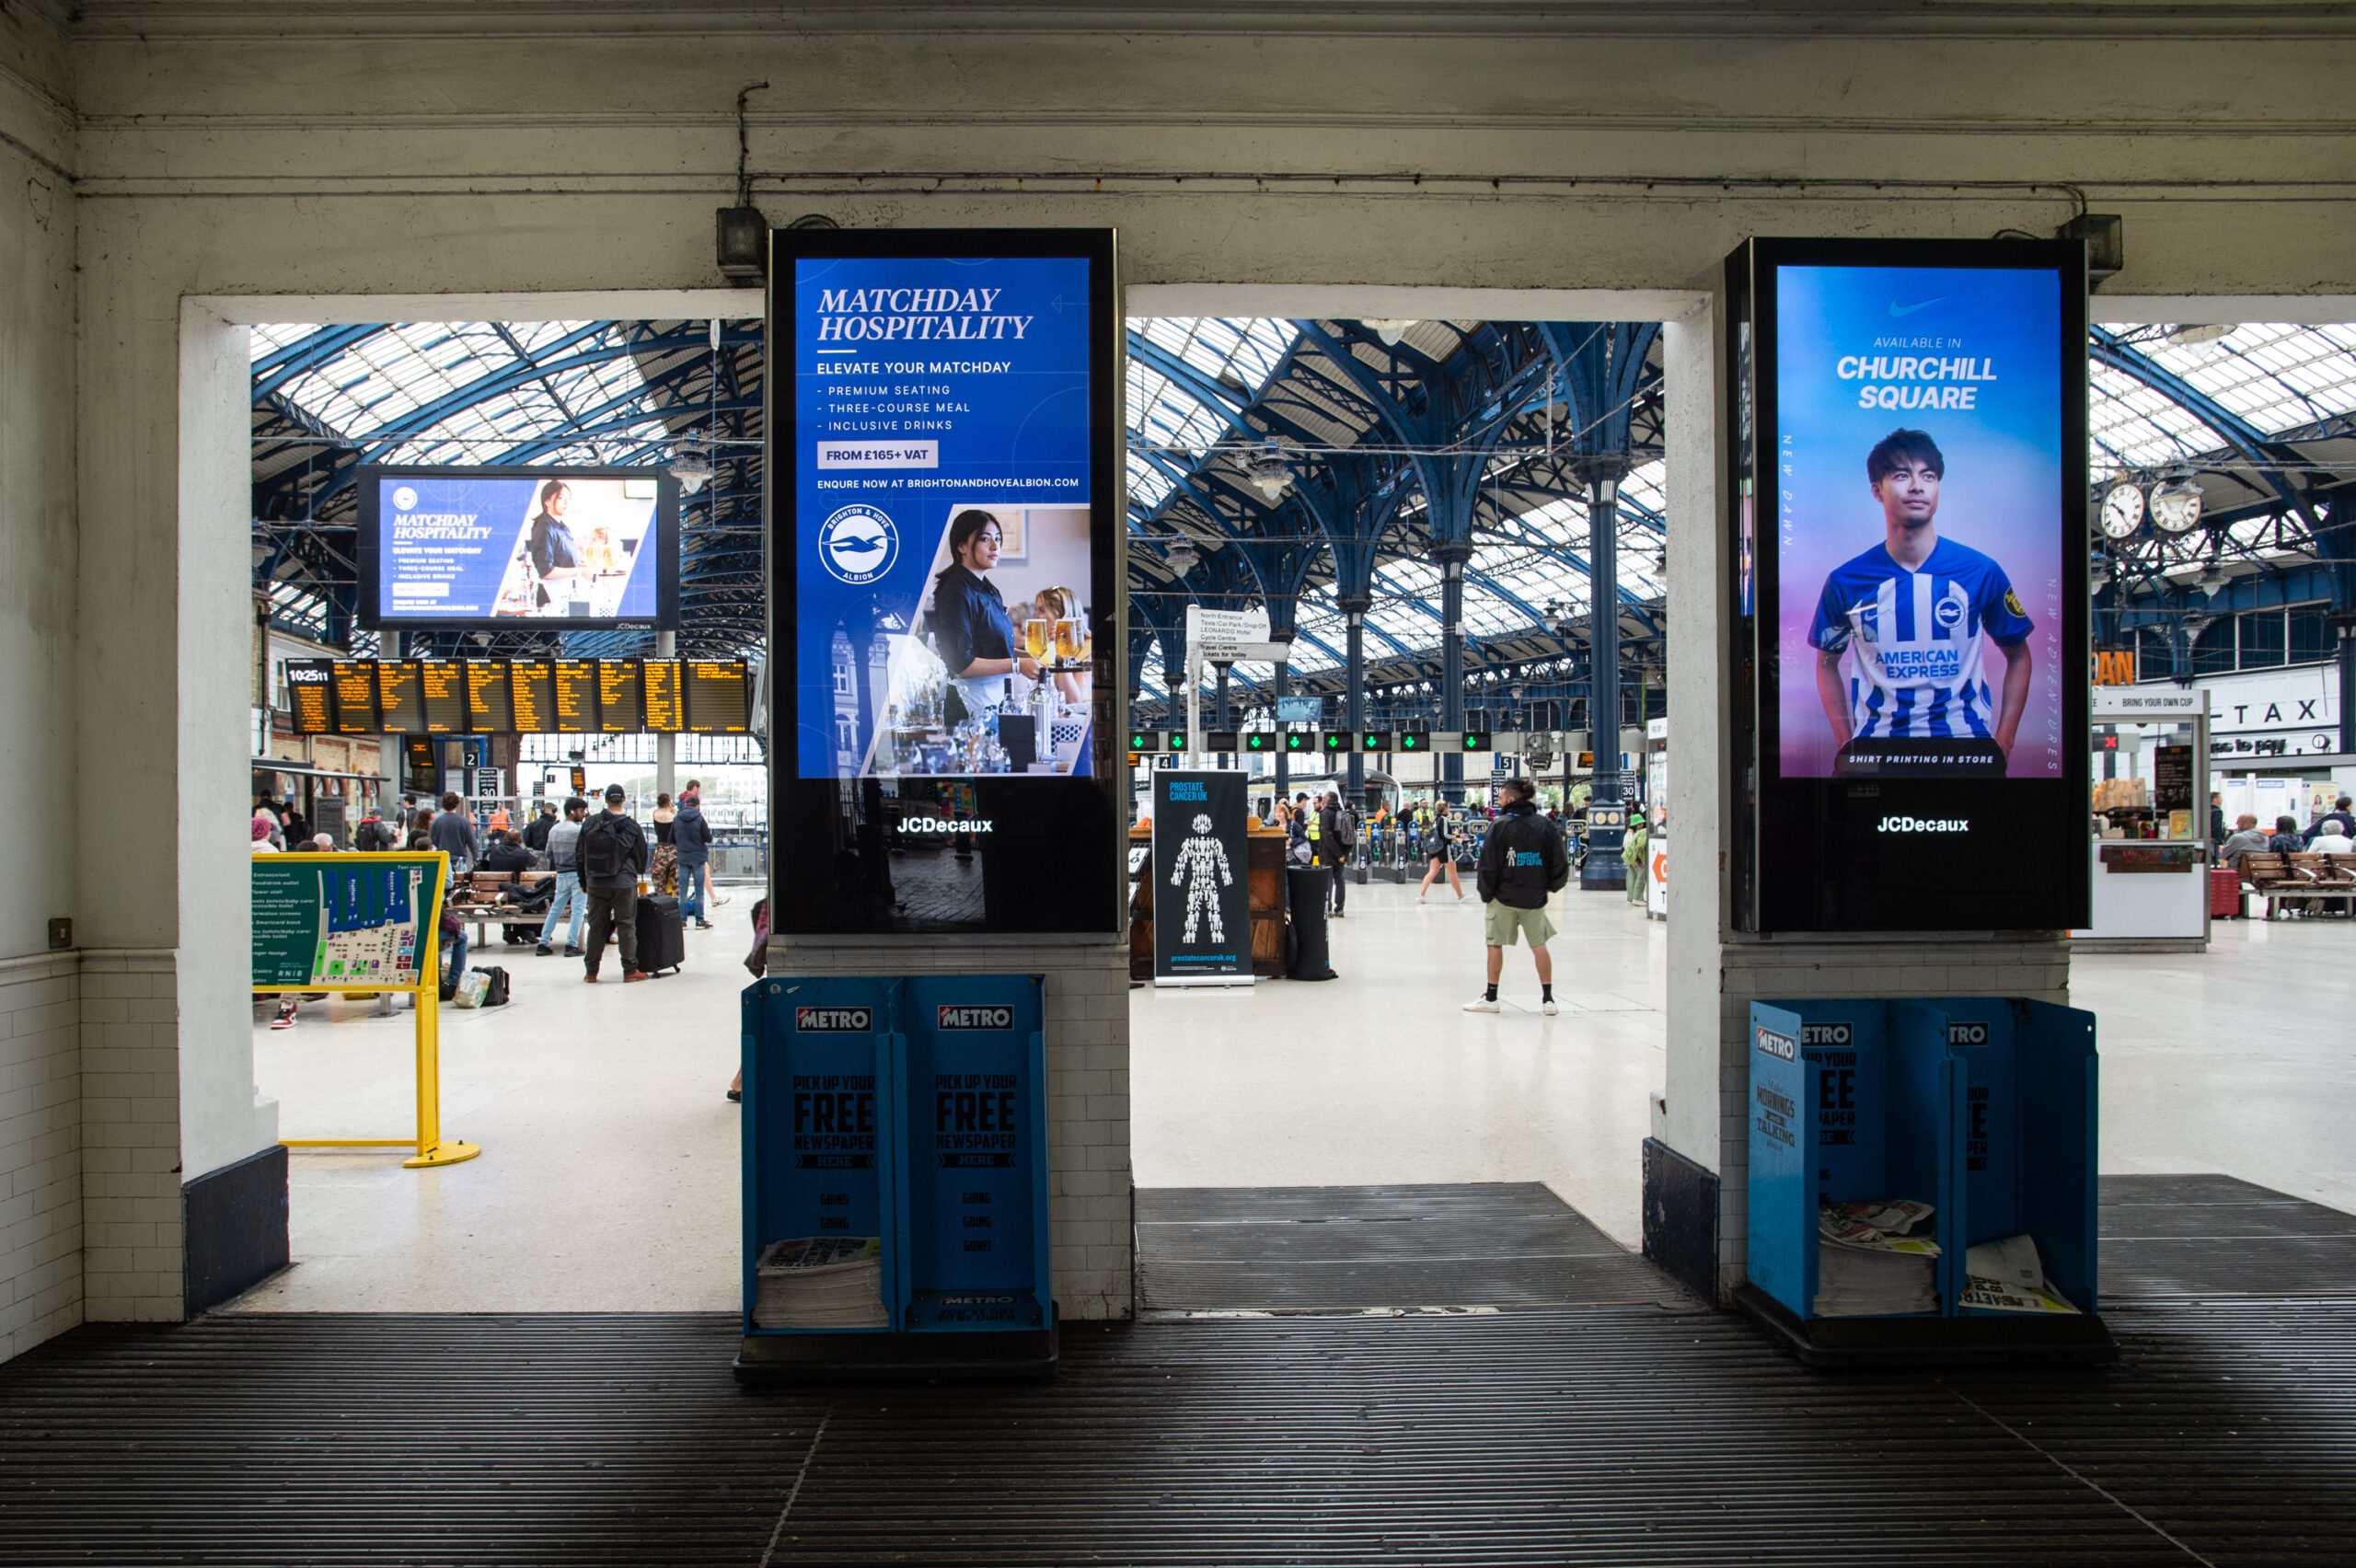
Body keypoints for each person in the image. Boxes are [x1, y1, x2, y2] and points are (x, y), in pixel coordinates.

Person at [1809, 428, 2035, 776]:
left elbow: (2019, 655)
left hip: (1965, 752)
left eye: (1927, 476)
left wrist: (2004, 741)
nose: (1917, 486)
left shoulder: (1981, 571)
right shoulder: (1846, 580)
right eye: (1902, 475)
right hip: (1878, 754)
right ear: (1877, 491)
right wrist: (1845, 740)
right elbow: (1827, 663)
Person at [1463, 777, 1569, 1015]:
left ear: (1511, 799)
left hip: (1503, 898)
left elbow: (1488, 865)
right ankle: (1548, 999)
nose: (1498, 802)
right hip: (1535, 897)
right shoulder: (1545, 825)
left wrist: (1487, 894)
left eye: (1500, 798)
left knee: (1494, 944)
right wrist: (1551, 886)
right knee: (1539, 945)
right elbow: (1560, 861)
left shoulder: (1499, 826)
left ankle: (1491, 997)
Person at [930, 509, 1041, 718]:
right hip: (969, 699)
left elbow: (990, 647)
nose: (995, 546)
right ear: (962, 546)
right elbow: (962, 663)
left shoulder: (986, 589)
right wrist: (1019, 665)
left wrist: (1031, 657)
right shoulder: (957, 591)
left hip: (992, 696)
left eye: (998, 539)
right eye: (984, 539)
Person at [578, 784, 649, 983]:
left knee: (596, 927)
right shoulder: (631, 825)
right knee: (626, 925)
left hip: (596, 882)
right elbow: (641, 855)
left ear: (606, 800)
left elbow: (580, 854)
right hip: (623, 882)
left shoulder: (590, 823)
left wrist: (584, 881)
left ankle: (591, 972)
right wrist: (635, 872)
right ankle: (630, 970)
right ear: (624, 799)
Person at [536, 796, 589, 957]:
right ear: (572, 811)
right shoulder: (578, 831)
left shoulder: (554, 829)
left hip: (561, 874)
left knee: (555, 909)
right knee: (578, 910)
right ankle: (571, 945)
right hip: (577, 875)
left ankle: (543, 942)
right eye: (581, 811)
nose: (583, 814)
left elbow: (548, 853)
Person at [525, 478, 588, 609]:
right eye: (560, 498)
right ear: (547, 501)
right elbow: (546, 571)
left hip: (565, 594)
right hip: (551, 599)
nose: (566, 502)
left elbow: (563, 560)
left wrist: (582, 566)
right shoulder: (544, 527)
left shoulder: (562, 527)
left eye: (569, 498)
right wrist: (579, 571)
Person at [676, 784, 715, 929]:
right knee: (699, 890)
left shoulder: (677, 818)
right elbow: (708, 838)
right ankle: (699, 921)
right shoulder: (700, 819)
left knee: (683, 891)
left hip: (683, 858)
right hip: (698, 858)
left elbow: (670, 837)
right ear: (697, 806)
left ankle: (682, 921)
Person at [1417, 799, 1465, 904]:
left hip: (1435, 849)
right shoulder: (1443, 819)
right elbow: (1445, 835)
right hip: (1444, 849)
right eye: (1448, 807)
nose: (1449, 809)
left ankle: (1421, 894)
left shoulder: (1436, 819)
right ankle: (1461, 896)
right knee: (1453, 874)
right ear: (1445, 809)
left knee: (1432, 872)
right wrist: (1457, 836)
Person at [1315, 790, 1352, 917]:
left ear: (1329, 800)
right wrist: (1343, 855)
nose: (1323, 799)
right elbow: (1349, 836)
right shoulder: (1343, 813)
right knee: (1340, 880)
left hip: (1328, 854)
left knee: (1328, 881)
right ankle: (1340, 908)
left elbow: (1326, 836)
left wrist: (1337, 854)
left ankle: (1328, 909)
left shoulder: (1325, 814)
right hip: (1340, 854)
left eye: (1324, 797)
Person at [429, 791, 478, 871]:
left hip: (441, 860)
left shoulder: (436, 822)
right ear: (457, 804)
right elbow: (472, 843)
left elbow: (431, 842)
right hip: (458, 860)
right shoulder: (464, 821)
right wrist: (475, 859)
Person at [649, 791, 679, 896]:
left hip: (660, 851)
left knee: (659, 881)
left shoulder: (655, 814)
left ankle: (661, 902)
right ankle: (676, 905)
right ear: (668, 803)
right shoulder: (674, 816)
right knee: (676, 881)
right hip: (673, 851)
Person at [1624, 812, 1652, 905]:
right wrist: (1643, 860)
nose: (1642, 824)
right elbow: (1640, 847)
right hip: (1637, 859)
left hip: (1629, 858)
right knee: (1641, 877)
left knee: (1631, 878)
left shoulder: (1628, 833)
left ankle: (1631, 897)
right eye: (1640, 823)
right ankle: (1638, 898)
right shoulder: (1643, 833)